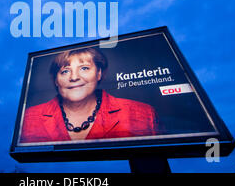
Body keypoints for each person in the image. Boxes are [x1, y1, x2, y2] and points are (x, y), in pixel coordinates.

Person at [20, 47, 160, 143]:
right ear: (56, 80)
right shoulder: (28, 118)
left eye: (84, 68)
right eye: (65, 71)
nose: (74, 77)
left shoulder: (143, 113)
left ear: (98, 73)